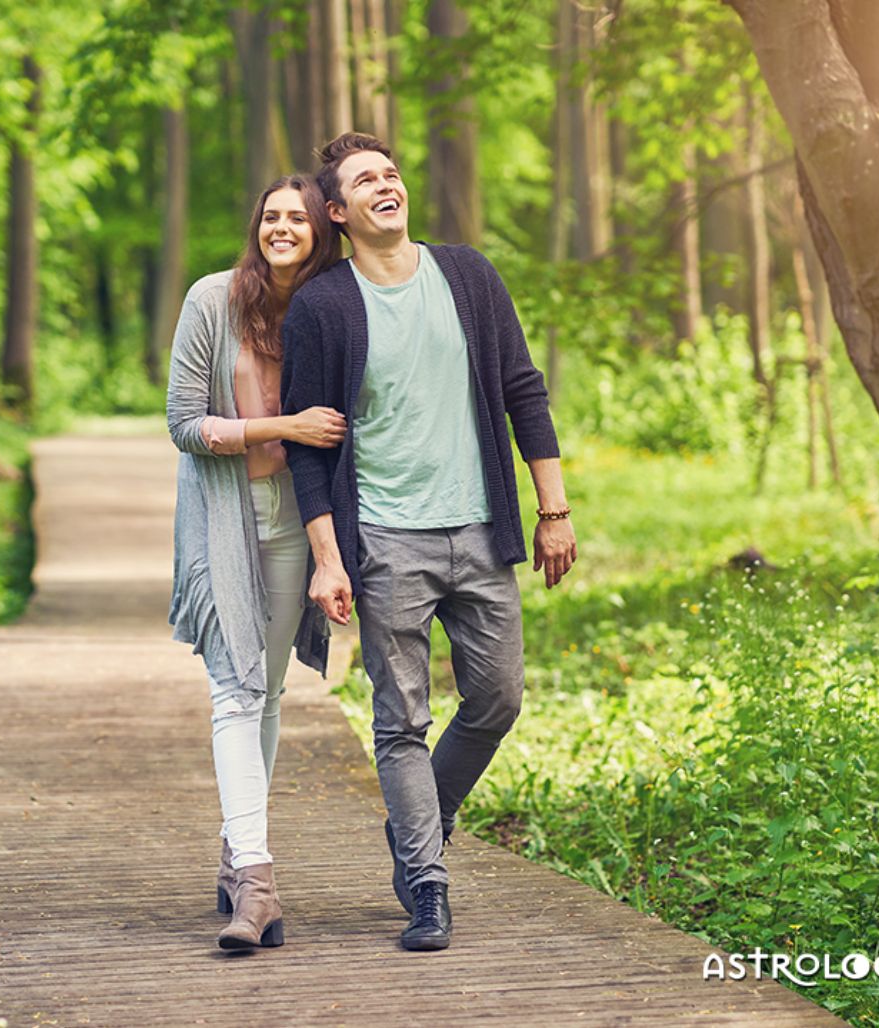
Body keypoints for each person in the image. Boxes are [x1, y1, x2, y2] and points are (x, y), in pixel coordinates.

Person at [281, 132, 577, 952]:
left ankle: (419, 828)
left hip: (480, 529)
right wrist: (330, 557)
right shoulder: (325, 306)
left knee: (497, 699)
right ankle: (427, 884)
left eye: (393, 173)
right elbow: (311, 448)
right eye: (365, 180)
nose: (387, 185)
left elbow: (523, 388)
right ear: (337, 212)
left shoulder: (469, 276)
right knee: (400, 719)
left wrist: (553, 509)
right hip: (384, 540)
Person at [166, 175, 344, 952]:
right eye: (269, 216)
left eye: (295, 219)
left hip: (298, 520)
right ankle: (259, 882)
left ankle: (237, 851)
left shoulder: (330, 306)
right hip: (223, 518)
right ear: (256, 227)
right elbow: (182, 423)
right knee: (235, 690)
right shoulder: (212, 300)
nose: (280, 227)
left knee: (265, 690)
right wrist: (286, 425)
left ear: (317, 232)